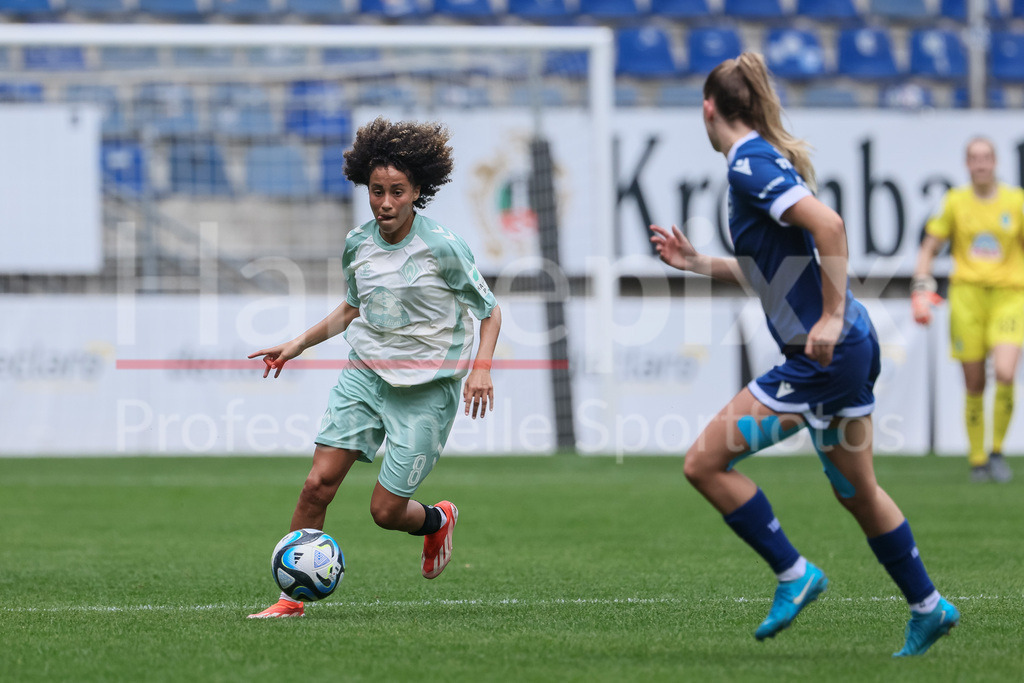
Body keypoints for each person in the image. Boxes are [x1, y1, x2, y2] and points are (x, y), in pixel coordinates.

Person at [649, 53, 958, 656]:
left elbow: (831, 226)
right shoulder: (760, 159)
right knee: (856, 491)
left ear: (708, 108)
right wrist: (697, 263)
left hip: (824, 353)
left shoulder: (749, 164)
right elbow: (771, 270)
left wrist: (833, 315)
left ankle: (795, 574)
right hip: (846, 349)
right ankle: (928, 607)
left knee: (704, 465)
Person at [247, 117, 502, 618]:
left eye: (397, 192)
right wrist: (297, 343)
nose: (385, 202)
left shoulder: (443, 247)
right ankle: (291, 599)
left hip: (427, 390)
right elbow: (351, 308)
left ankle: (436, 521)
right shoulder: (357, 243)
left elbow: (490, 310)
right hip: (365, 374)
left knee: (385, 513)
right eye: (376, 190)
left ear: (417, 192)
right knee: (317, 484)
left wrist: (481, 368)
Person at [913, 137, 1023, 483]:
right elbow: (929, 246)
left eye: (986, 158)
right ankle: (977, 460)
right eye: (974, 158)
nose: (981, 164)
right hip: (967, 296)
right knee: (974, 382)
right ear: (966, 164)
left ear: (995, 162)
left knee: (1005, 372)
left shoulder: (1016, 201)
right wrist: (920, 287)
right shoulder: (954, 202)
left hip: (1009, 295)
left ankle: (997, 451)